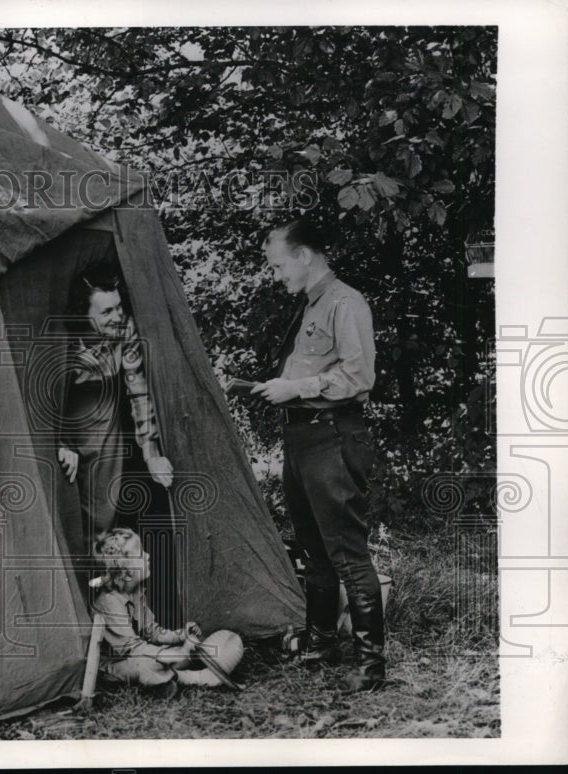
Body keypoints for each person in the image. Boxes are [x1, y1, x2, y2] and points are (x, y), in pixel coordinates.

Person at [250, 218, 386, 693]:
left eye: (279, 265)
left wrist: (295, 387)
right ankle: (320, 646)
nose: (277, 275)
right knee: (314, 550)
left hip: (332, 438)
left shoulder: (345, 303)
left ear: (305, 256)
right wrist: (278, 389)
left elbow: (359, 377)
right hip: (302, 442)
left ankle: (370, 668)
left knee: (348, 553)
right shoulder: (312, 304)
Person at [57, 269, 173, 536]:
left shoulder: (125, 329)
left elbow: (139, 390)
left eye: (119, 307)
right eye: (106, 312)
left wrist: (150, 451)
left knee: (105, 505)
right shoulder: (66, 341)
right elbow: (48, 400)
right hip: (71, 423)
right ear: (84, 314)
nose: (117, 317)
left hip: (106, 422)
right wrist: (60, 441)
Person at [91, 528, 244, 697]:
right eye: (141, 554)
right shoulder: (108, 601)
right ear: (126, 574)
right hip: (114, 668)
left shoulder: (136, 593)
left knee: (176, 650)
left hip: (139, 654)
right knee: (146, 664)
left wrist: (180, 636)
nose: (148, 555)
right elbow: (133, 649)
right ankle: (194, 677)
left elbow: (153, 632)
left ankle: (166, 678)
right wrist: (178, 654)